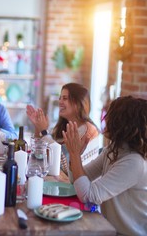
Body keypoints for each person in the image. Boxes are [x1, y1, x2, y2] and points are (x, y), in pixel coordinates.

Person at [63, 96, 147, 235]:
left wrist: (74, 154)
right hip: (107, 228)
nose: (105, 118)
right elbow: (76, 181)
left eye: (110, 115)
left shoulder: (134, 162)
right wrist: (75, 156)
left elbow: (88, 196)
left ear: (123, 123)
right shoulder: (115, 149)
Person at [26, 83, 99, 176]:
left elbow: (65, 166)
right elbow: (39, 156)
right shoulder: (62, 127)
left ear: (78, 103)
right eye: (60, 98)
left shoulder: (89, 131)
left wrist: (44, 132)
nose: (60, 102)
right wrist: (38, 128)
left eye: (64, 98)